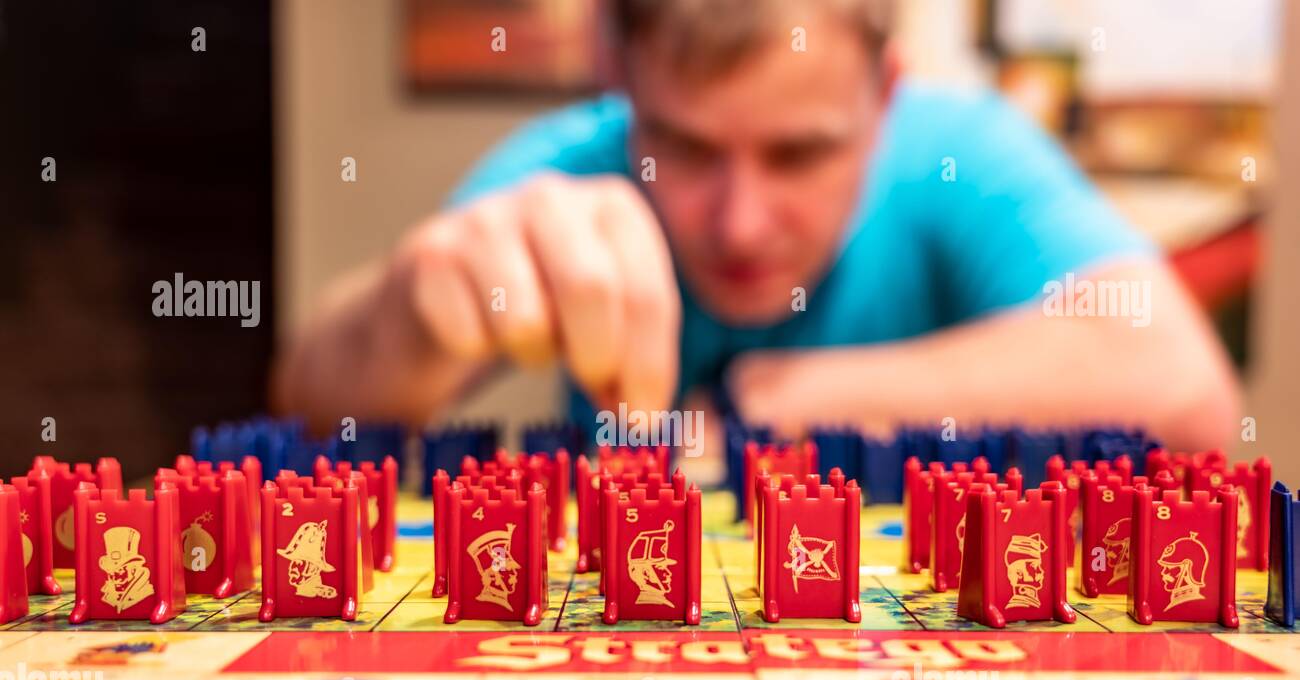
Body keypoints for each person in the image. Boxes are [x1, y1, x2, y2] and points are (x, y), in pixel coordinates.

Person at [273, 0, 1241, 451]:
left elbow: (1186, 393)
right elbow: (306, 410)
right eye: (687, 151)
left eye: (799, 155)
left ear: (885, 95)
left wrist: (762, 400)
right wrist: (408, 316)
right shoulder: (566, 167)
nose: (738, 225)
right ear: (621, 87)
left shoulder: (959, 151)